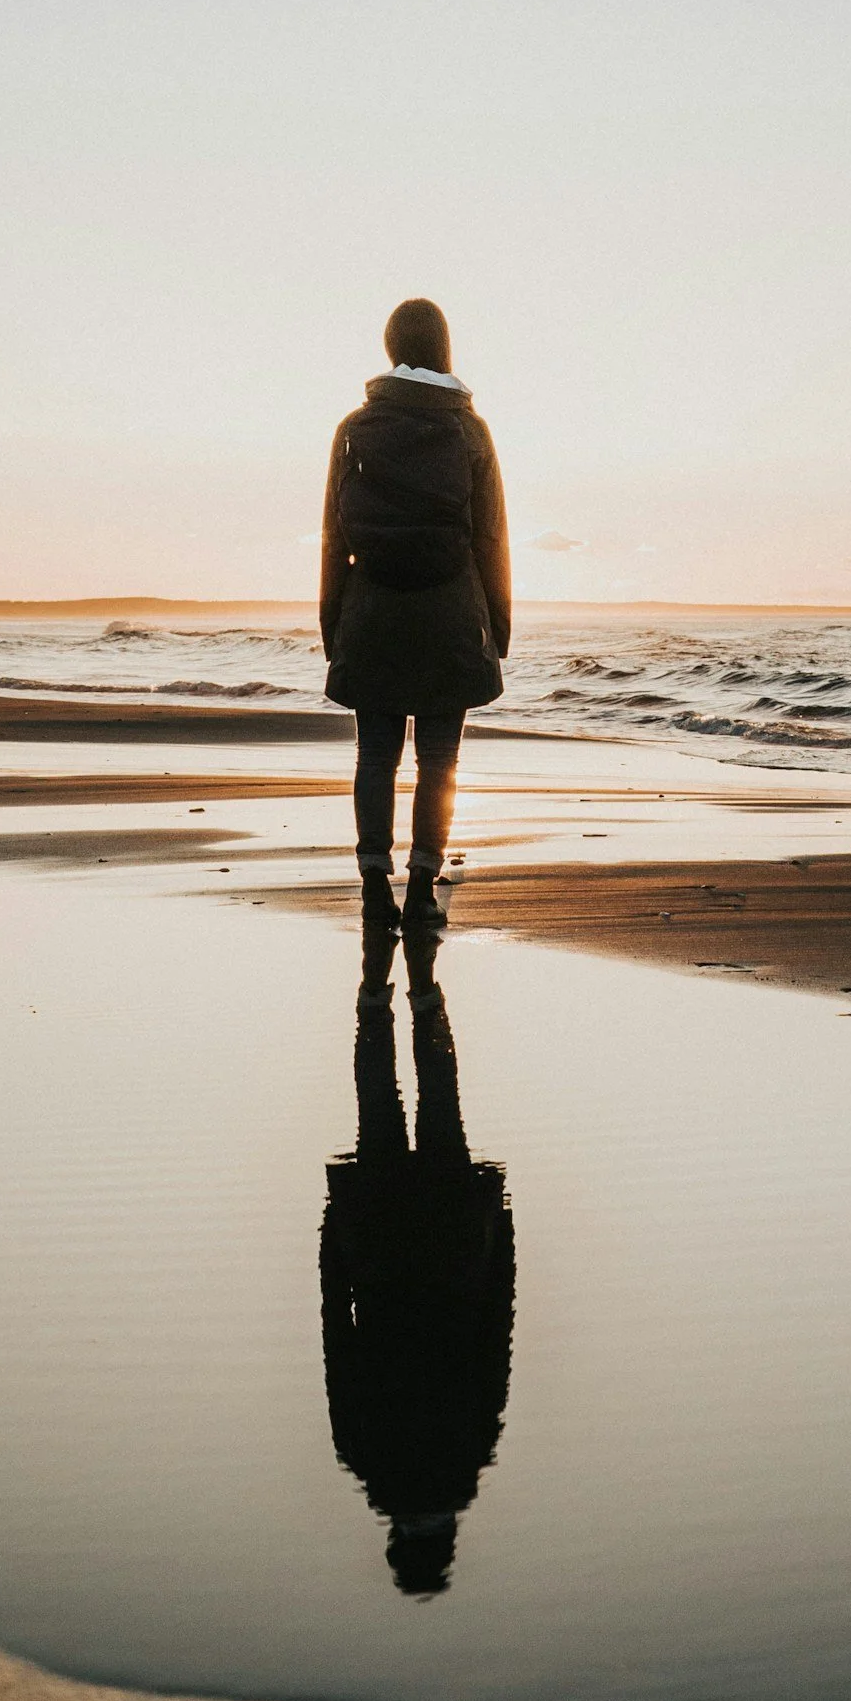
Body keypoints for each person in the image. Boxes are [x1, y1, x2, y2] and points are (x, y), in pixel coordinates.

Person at [319, 920, 516, 1598]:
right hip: (374, 1241)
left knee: (439, 1102)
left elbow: (496, 1332)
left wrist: (502, 1231)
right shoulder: (363, 1455)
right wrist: (332, 1239)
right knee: (378, 1103)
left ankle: (425, 997)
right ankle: (377, 1000)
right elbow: (336, 1338)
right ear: (398, 1541)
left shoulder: (470, 1451)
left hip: (454, 1238)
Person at [320, 299, 511, 929]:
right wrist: (498, 626)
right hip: (450, 613)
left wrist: (333, 623)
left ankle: (375, 887)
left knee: (375, 755)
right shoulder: (470, 429)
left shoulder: (354, 427)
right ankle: (423, 888)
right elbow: (491, 538)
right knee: (439, 758)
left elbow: (332, 535)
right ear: (444, 347)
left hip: (371, 610)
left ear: (390, 349)